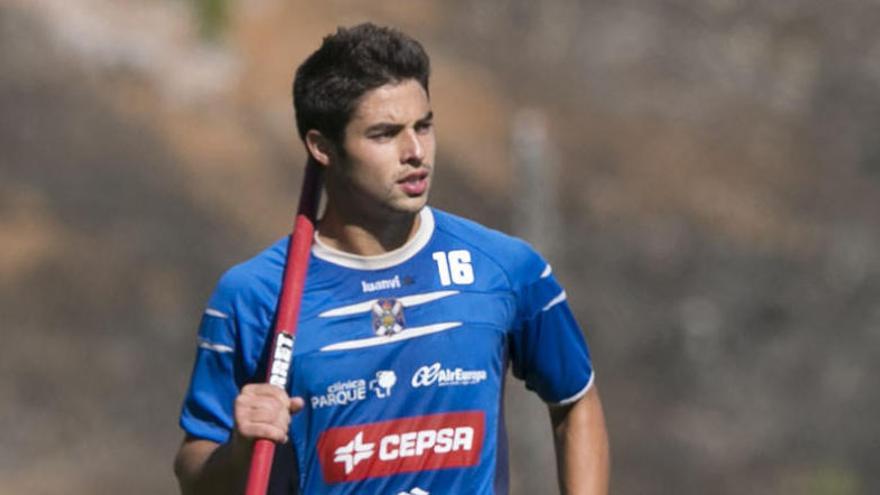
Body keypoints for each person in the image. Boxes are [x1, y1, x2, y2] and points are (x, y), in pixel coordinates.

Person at [174, 22, 609, 495]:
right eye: (385, 134)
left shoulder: (505, 269)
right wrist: (242, 447)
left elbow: (575, 402)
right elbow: (195, 473)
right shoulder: (254, 296)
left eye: (423, 125)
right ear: (322, 148)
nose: (416, 152)